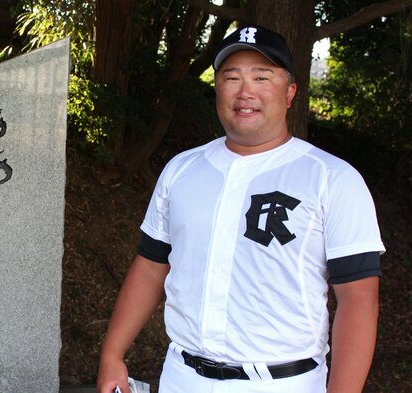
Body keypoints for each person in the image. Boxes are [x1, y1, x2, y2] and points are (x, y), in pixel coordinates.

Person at [97, 24, 384, 393]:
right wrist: (112, 355)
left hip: (283, 383)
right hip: (182, 378)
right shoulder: (182, 170)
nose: (245, 91)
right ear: (217, 87)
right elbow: (152, 266)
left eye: (262, 77)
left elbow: (358, 297)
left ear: (291, 92)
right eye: (232, 77)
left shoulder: (331, 178)